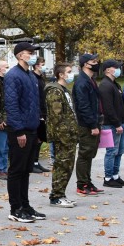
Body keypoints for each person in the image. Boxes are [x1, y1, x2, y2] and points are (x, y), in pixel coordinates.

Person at [3, 42, 44, 222]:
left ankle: (25, 205)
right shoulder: (13, 76)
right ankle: (15, 208)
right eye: (30, 52)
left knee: (26, 170)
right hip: (19, 130)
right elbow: (12, 105)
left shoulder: (31, 76)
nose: (33, 55)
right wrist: (19, 130)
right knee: (17, 170)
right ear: (20, 55)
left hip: (31, 129)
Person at [45, 63, 77, 208]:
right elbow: (56, 116)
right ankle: (56, 196)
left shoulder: (65, 90)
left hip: (69, 135)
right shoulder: (54, 91)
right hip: (62, 136)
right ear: (61, 74)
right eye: (69, 72)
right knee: (61, 165)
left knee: (68, 166)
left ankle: (61, 194)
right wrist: (64, 135)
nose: (71, 74)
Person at [73, 53, 104, 196]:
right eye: (93, 61)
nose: (96, 63)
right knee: (85, 154)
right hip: (86, 124)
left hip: (94, 121)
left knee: (90, 153)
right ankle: (82, 184)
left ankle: (88, 181)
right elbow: (83, 106)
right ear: (86, 64)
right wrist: (92, 125)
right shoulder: (82, 82)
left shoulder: (90, 80)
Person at [98, 60, 124, 188]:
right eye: (115, 67)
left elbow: (121, 105)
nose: (118, 69)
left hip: (120, 123)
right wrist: (117, 124)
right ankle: (108, 177)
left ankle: (115, 175)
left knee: (120, 151)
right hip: (111, 124)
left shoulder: (115, 84)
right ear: (107, 70)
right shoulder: (105, 85)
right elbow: (108, 107)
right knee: (111, 151)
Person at [31, 57, 51, 173]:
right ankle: (32, 162)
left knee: (40, 138)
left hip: (43, 111)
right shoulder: (33, 78)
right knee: (36, 138)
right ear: (37, 65)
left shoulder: (41, 78)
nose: (44, 66)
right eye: (42, 64)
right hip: (37, 112)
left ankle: (36, 161)